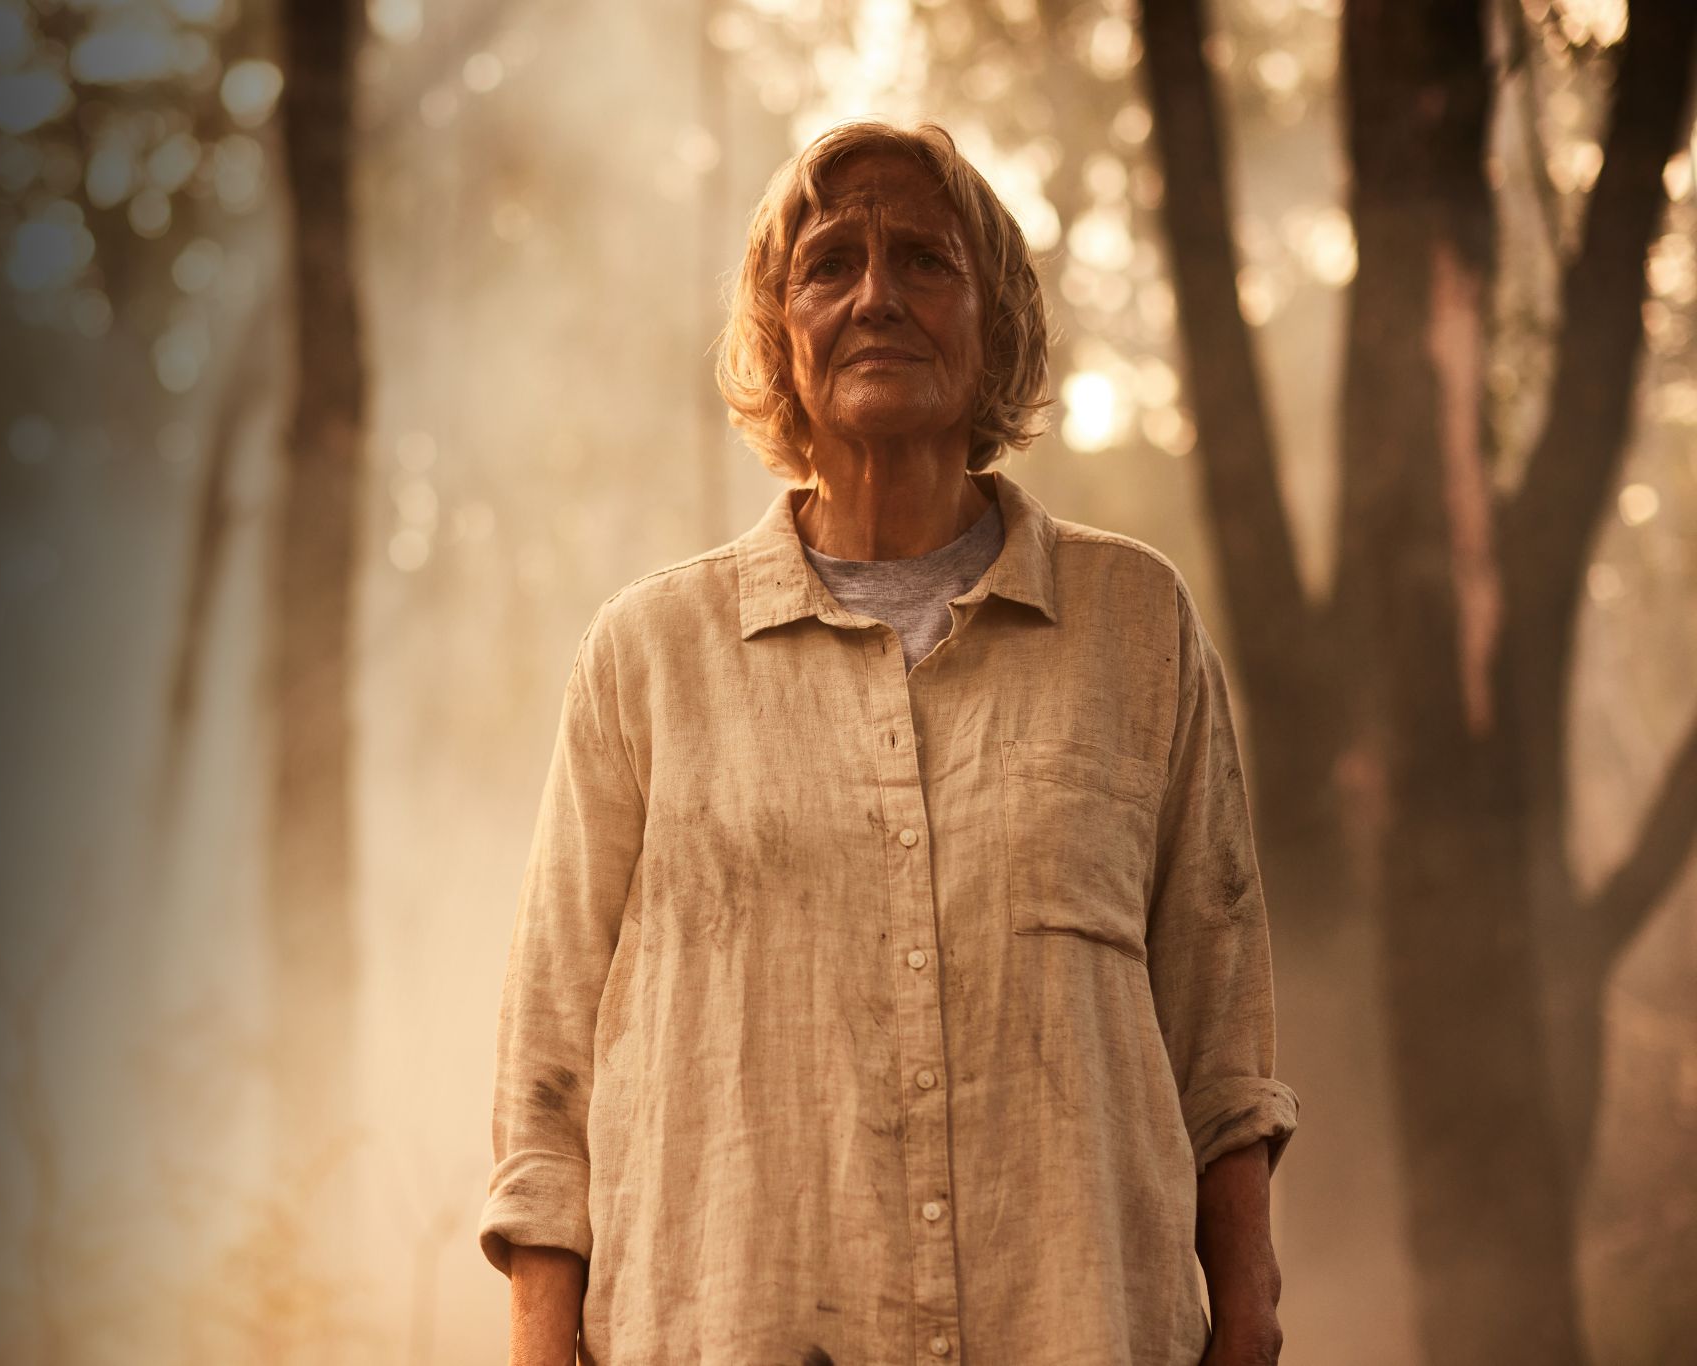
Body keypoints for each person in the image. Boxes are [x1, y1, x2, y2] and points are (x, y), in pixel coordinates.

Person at [478, 118, 1298, 1366]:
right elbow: (549, 1069)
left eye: (923, 260)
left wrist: (1244, 1314)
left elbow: (1218, 1034)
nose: (875, 296)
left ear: (995, 327)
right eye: (828, 265)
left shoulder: (1134, 627)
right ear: (777, 333)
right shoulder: (648, 655)